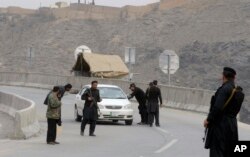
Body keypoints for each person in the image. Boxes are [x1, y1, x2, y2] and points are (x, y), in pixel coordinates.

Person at [204, 67, 244, 157]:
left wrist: (208, 119)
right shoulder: (236, 91)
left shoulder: (224, 89)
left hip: (220, 126)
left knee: (217, 152)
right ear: (234, 78)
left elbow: (217, 107)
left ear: (224, 76)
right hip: (232, 126)